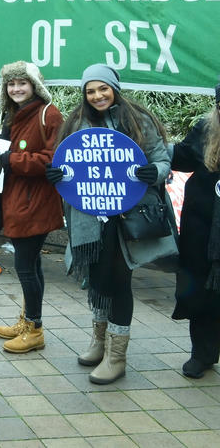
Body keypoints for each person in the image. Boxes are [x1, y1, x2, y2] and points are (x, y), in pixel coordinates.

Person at [47, 64, 170, 384]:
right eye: (90, 90)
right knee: (98, 279)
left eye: (103, 88)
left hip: (126, 217)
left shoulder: (138, 119)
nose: (97, 95)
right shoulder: (76, 122)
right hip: (89, 217)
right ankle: (99, 343)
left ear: (114, 87)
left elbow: (161, 160)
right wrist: (58, 175)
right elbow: (66, 162)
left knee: (118, 281)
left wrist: (152, 173)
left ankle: (117, 356)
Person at [0, 61, 65, 353]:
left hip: (34, 202)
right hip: (16, 198)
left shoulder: (49, 114)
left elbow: (53, 160)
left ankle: (34, 330)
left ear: (35, 85)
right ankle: (28, 320)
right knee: (31, 265)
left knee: (25, 267)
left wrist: (12, 160)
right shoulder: (12, 115)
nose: (16, 88)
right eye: (11, 84)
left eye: (22, 83)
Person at [169, 80, 220, 378]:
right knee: (201, 291)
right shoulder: (205, 128)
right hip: (201, 227)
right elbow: (182, 156)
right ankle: (202, 354)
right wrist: (149, 149)